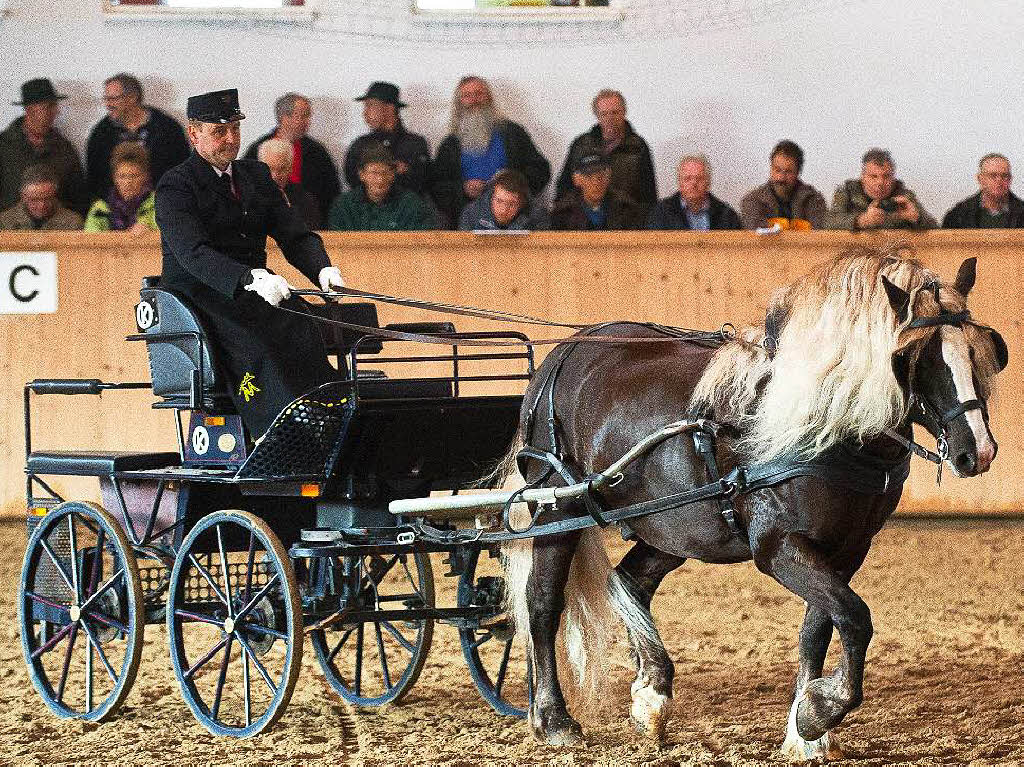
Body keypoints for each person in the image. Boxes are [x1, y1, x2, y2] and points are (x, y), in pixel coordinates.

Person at [156, 88, 346, 438]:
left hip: (255, 287)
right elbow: (192, 253)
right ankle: (277, 427)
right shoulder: (176, 186)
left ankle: (327, 412)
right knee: (253, 335)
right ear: (193, 133)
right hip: (203, 293)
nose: (230, 139)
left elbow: (293, 233)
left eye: (235, 129)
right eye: (219, 131)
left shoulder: (255, 176)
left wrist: (321, 268)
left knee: (302, 322)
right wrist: (247, 279)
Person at [432, 76, 550, 228]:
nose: (474, 100)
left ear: (490, 98)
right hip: (467, 222)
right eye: (467, 96)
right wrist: (463, 189)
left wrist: (510, 183)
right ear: (458, 103)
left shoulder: (512, 133)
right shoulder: (450, 144)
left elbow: (540, 170)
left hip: (515, 220)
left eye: (479, 93)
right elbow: (437, 186)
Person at [85, 73, 189, 200]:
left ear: (132, 97)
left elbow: (182, 172)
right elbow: (95, 179)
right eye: (106, 99)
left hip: (162, 204)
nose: (108, 104)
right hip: (114, 208)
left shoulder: (167, 128)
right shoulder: (101, 133)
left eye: (113, 99)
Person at [554, 89, 657, 214]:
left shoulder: (638, 147)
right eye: (604, 114)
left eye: (614, 112)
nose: (610, 118)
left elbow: (649, 194)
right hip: (583, 222)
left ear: (624, 113)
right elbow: (565, 186)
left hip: (626, 221)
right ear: (597, 115)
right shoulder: (581, 145)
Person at [243, 92, 340, 224]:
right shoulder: (257, 150)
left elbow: (332, 193)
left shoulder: (317, 152)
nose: (308, 121)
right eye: (303, 116)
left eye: (308, 116)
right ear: (284, 118)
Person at [0, 78, 88, 216]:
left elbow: (79, 197)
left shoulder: (64, 148)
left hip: (56, 230)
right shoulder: (3, 146)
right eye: (49, 107)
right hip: (10, 230)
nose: (56, 112)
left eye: (55, 106)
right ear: (30, 110)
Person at [344, 81, 431, 196]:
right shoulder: (360, 145)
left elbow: (422, 181)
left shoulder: (415, 144)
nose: (365, 113)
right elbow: (352, 180)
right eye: (365, 106)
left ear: (390, 108)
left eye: (371, 106)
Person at [329, 144, 436, 231]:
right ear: (362, 175)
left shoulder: (411, 203)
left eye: (385, 173)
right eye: (374, 173)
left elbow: (422, 242)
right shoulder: (344, 205)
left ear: (393, 175)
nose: (380, 179)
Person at [826, 148, 936, 230]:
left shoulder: (903, 196)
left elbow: (936, 230)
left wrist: (917, 218)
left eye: (886, 176)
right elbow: (828, 223)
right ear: (862, 177)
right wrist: (861, 220)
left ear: (893, 177)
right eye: (873, 177)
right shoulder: (846, 192)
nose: (880, 182)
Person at [740, 140, 827, 230]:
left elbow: (816, 236)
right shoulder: (752, 200)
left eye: (788, 172)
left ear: (798, 173)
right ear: (771, 169)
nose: (781, 178)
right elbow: (756, 237)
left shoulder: (813, 199)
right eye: (777, 170)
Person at [550, 153, 645, 230]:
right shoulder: (562, 213)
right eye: (589, 177)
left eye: (601, 177)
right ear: (577, 180)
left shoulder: (627, 209)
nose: (596, 183)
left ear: (608, 177)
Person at [647, 154, 741, 230]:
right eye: (687, 179)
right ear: (679, 183)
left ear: (708, 183)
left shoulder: (726, 215)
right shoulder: (661, 213)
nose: (693, 184)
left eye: (699, 179)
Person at [83, 142, 158, 233]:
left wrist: (150, 232)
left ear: (145, 176)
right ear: (114, 178)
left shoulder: (158, 204)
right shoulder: (100, 209)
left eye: (134, 176)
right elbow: (90, 240)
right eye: (122, 176)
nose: (128, 182)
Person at [943, 153, 1024, 229]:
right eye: (993, 175)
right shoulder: (957, 215)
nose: (999, 180)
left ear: (1010, 179)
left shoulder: (1022, 211)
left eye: (1004, 176)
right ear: (980, 179)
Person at [258, 138, 322, 229]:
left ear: (290, 169)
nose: (275, 176)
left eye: (282, 169)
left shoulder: (306, 201)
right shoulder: (247, 197)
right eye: (270, 168)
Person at [457, 169, 548, 231]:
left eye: (512, 204)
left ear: (522, 203)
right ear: (492, 196)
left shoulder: (538, 217)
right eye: (499, 201)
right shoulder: (471, 213)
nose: (503, 210)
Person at [0, 164, 83, 231]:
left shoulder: (73, 223)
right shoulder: (4, 222)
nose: (42, 206)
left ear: (55, 195)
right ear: (23, 196)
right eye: (34, 200)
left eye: (48, 199)